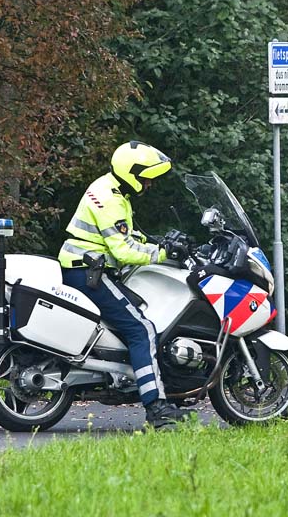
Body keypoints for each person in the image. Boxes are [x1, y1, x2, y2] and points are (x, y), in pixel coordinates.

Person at [58, 141, 189, 428]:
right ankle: (157, 408)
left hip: (81, 267)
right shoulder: (113, 199)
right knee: (141, 329)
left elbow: (125, 237)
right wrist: (165, 253)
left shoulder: (107, 187)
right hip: (90, 272)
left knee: (133, 318)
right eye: (146, 178)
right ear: (132, 173)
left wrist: (155, 242)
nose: (149, 184)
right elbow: (123, 251)